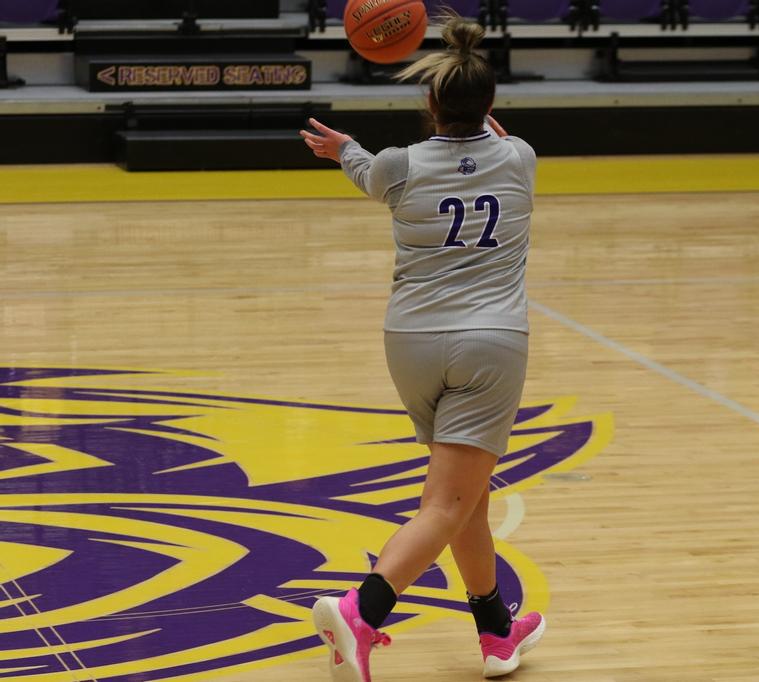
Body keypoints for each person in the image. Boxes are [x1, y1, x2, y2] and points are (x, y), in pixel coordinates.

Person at [300, 15, 543, 682]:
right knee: (446, 504)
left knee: (466, 495)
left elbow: (361, 169)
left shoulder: (396, 166)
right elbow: (493, 139)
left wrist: (346, 149)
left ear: (430, 103)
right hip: (489, 344)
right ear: (491, 103)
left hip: (410, 342)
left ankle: (495, 630)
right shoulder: (519, 158)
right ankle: (360, 611)